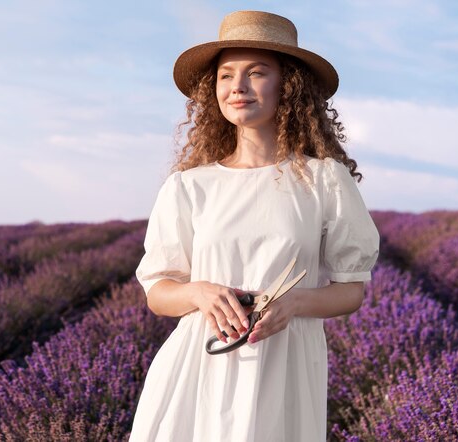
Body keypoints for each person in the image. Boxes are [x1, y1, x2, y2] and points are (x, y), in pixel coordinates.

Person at [130, 10, 379, 442]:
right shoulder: (188, 187)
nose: (237, 87)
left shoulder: (324, 180)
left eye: (256, 72)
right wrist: (198, 292)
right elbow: (158, 292)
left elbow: (350, 289)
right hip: (198, 366)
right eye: (226, 76)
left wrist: (295, 303)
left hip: (283, 365)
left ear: (289, 86)